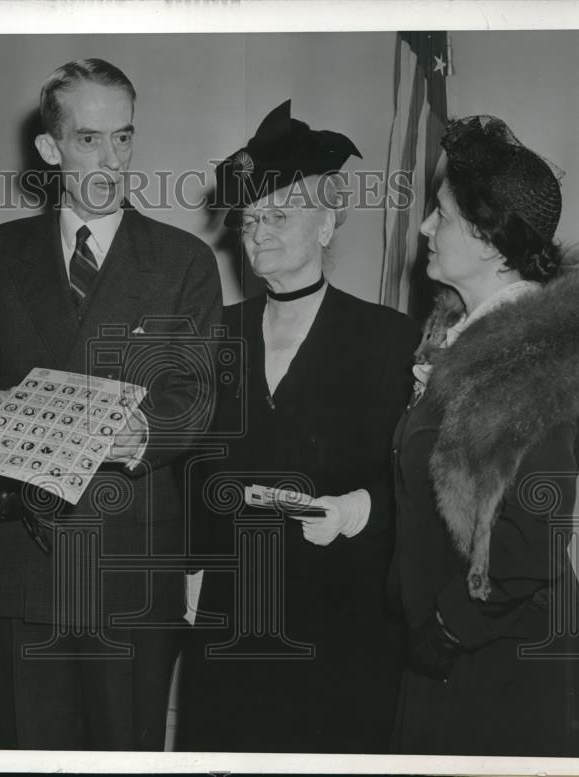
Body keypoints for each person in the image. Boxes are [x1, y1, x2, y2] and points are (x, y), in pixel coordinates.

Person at [0, 58, 222, 750]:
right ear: (50, 149)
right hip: (23, 560)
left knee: (125, 753)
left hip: (131, 558)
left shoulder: (183, 260)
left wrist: (144, 435)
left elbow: (196, 394)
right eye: (88, 140)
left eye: (124, 138)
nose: (111, 160)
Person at [176, 100, 420, 753]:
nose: (259, 231)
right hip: (235, 609)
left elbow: (412, 474)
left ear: (326, 223)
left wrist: (358, 508)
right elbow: (195, 464)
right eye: (251, 219)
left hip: (344, 610)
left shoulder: (389, 339)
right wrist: (195, 569)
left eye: (279, 215)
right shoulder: (217, 333)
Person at [389, 115, 579, 756]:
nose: (426, 228)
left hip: (496, 657)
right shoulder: (466, 334)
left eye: (442, 214)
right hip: (460, 642)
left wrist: (446, 627)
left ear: (490, 239)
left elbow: (533, 537)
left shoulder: (532, 355)